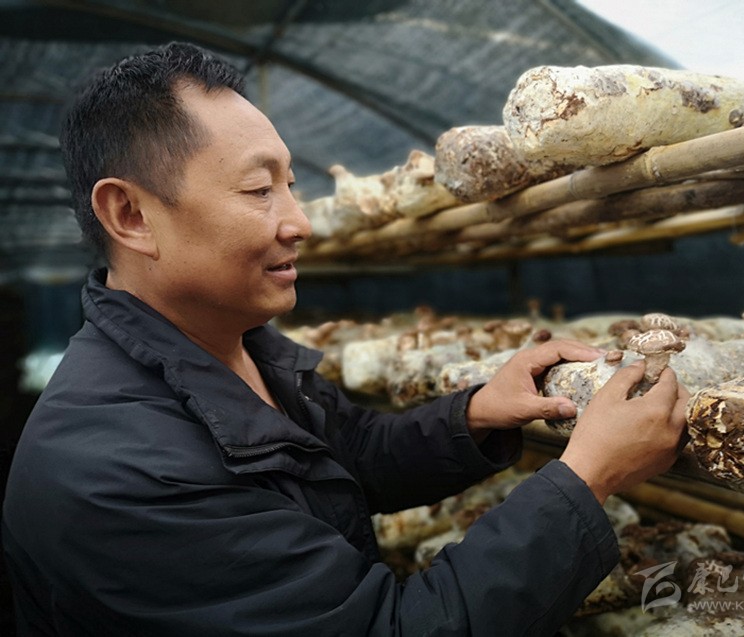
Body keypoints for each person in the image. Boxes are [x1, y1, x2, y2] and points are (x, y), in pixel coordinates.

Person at [2, 42, 688, 636]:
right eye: (258, 190)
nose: (299, 222)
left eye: (290, 184)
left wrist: (477, 412)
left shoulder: (240, 346)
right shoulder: (114, 473)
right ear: (129, 214)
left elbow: (347, 456)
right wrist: (588, 476)